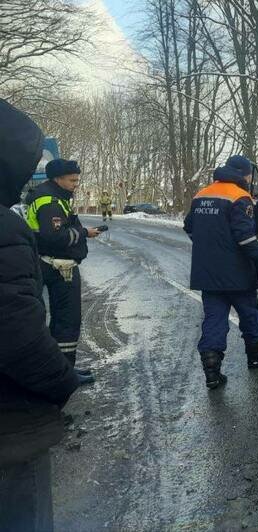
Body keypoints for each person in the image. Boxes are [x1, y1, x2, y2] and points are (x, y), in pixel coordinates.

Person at [0, 99, 80, 530]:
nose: (76, 183)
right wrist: (60, 382)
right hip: (11, 427)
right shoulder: (19, 217)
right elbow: (15, 331)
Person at [184, 155, 258, 389]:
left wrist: (210, 246)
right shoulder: (239, 197)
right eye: (248, 174)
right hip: (237, 274)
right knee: (250, 315)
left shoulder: (201, 195)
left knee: (214, 320)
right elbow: (246, 238)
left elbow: (190, 227)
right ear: (244, 174)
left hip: (208, 274)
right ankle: (256, 358)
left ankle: (212, 372)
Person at [23, 159, 101, 385]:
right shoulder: (50, 201)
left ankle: (62, 371)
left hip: (51, 265)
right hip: (57, 267)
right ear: (58, 179)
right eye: (72, 180)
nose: (76, 184)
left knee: (59, 321)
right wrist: (83, 233)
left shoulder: (50, 195)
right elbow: (54, 236)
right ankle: (63, 375)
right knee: (67, 321)